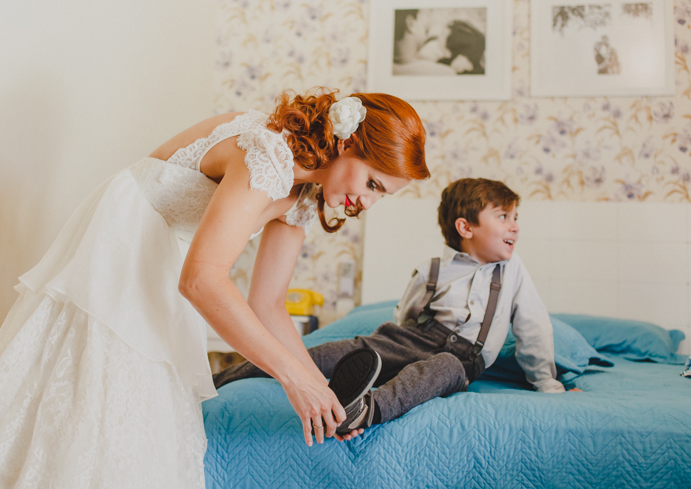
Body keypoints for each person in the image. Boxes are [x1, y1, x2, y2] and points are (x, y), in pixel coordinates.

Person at [0, 88, 430, 488]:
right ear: (346, 143)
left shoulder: (302, 197)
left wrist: (319, 389)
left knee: (143, 424)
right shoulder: (269, 155)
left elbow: (269, 305)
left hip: (170, 258)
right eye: (372, 184)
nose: (367, 202)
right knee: (84, 398)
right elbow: (203, 279)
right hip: (125, 244)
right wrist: (292, 380)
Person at [214, 178, 571, 439]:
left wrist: (547, 383)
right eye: (505, 217)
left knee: (441, 368)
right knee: (334, 352)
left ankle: (363, 411)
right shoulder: (434, 269)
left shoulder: (512, 271)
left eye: (515, 216)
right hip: (412, 339)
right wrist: (391, 345)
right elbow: (407, 316)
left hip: (463, 358)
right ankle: (222, 379)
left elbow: (534, 325)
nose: (516, 226)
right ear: (466, 227)